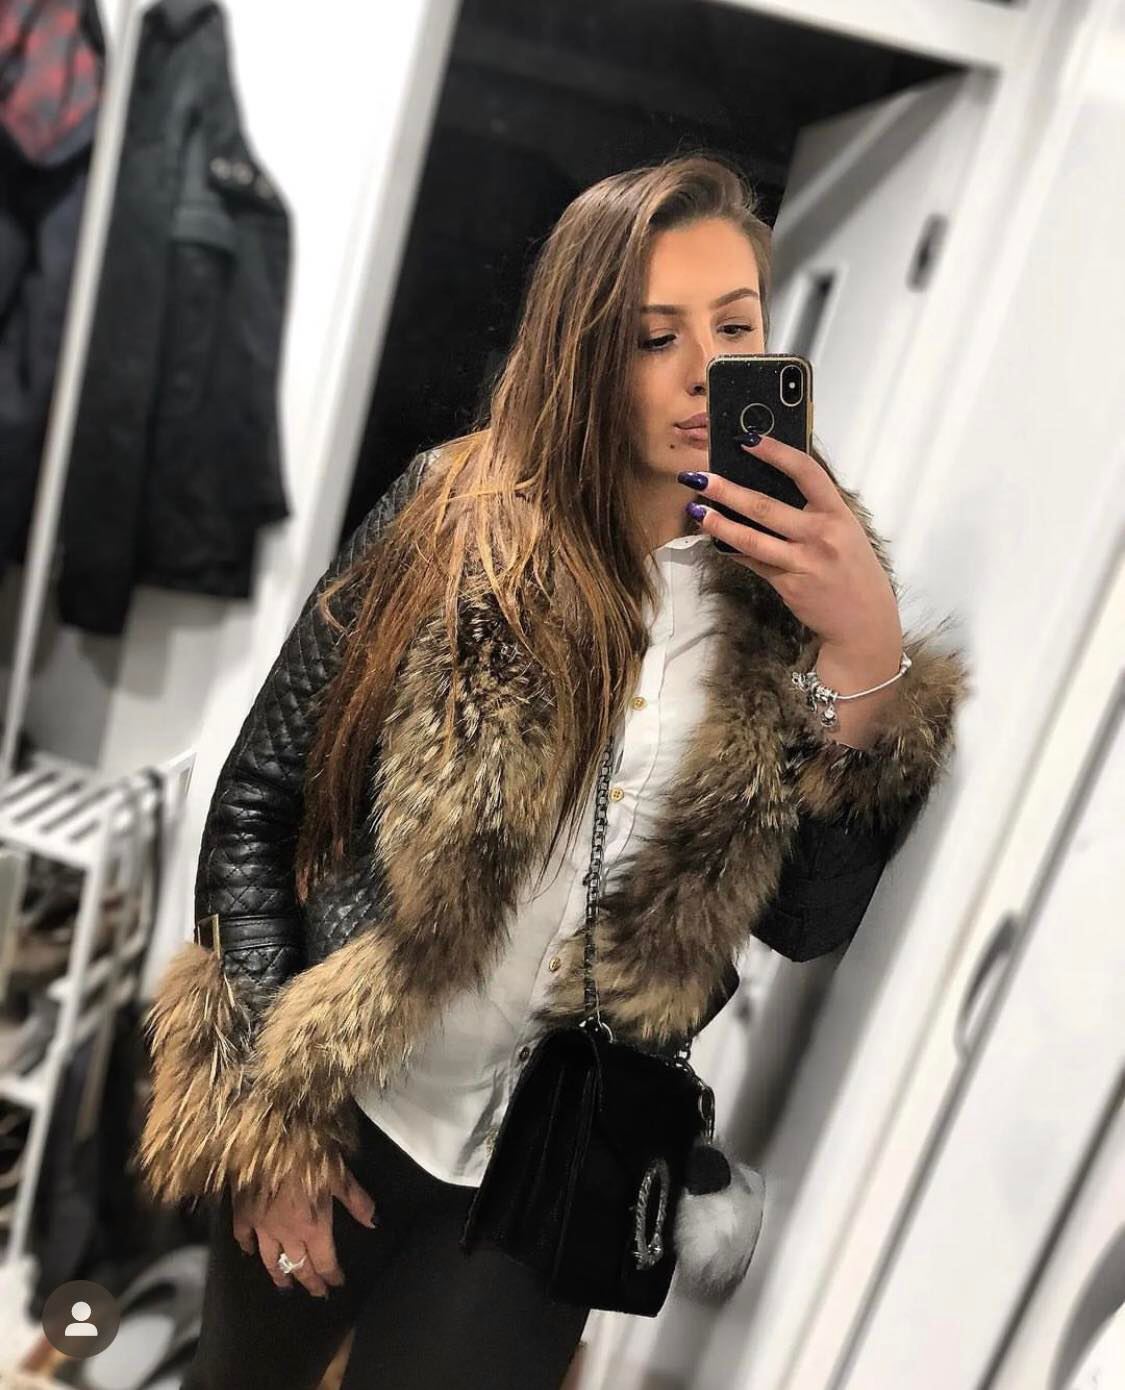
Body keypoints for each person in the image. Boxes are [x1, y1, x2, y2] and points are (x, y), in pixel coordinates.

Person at [137, 152, 970, 1389]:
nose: (704, 371)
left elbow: (805, 922)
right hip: (351, 1096)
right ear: (584, 350)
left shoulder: (799, 595)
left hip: (564, 1158)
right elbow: (261, 801)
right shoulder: (454, 517)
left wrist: (861, 656)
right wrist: (268, 1117)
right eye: (653, 337)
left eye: (736, 326)